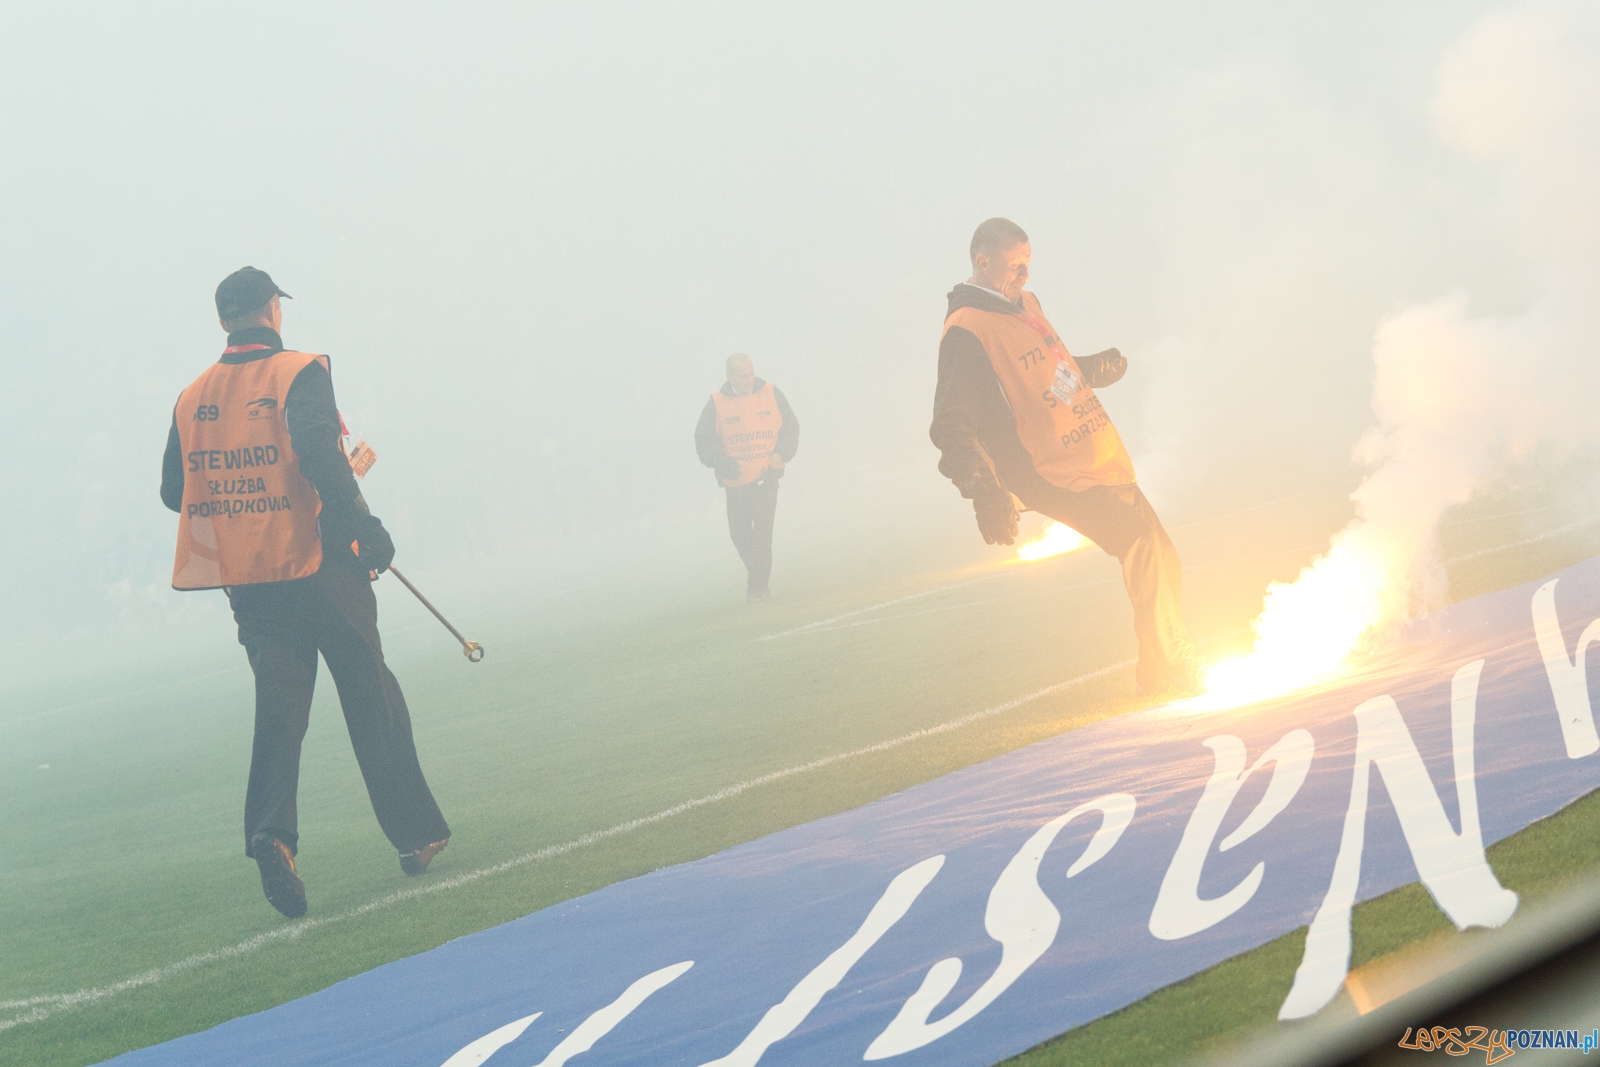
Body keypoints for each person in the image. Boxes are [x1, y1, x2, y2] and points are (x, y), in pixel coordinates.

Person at [160, 266, 451, 918]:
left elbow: (174, 492)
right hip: (319, 565)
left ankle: (271, 834)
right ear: (272, 309)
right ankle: (417, 833)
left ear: (223, 319)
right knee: (369, 691)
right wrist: (365, 526)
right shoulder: (298, 373)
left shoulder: (193, 395)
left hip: (252, 585)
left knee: (280, 714)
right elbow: (319, 452)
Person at [929, 219, 1206, 696]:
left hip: (1093, 454)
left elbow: (1043, 374)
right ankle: (1175, 665)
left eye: (1028, 265)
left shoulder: (1024, 305)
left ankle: (1157, 675)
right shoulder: (966, 330)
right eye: (1017, 266)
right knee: (1142, 544)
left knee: (1162, 555)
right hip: (1049, 470)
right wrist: (985, 491)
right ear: (983, 262)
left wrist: (1088, 369)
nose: (1026, 276)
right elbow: (950, 425)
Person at [695, 354, 800, 602]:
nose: (748, 379)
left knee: (762, 538)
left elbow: (792, 428)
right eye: (742, 376)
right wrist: (719, 460)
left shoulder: (772, 393)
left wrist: (782, 454)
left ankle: (757, 591)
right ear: (729, 377)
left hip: (767, 477)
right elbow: (703, 441)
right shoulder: (716, 403)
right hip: (736, 483)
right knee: (740, 536)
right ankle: (759, 580)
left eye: (751, 374)